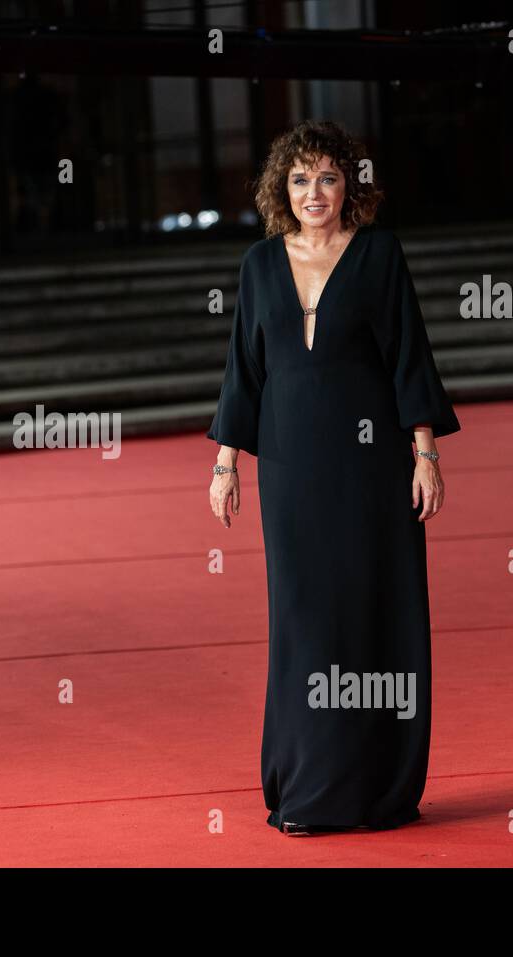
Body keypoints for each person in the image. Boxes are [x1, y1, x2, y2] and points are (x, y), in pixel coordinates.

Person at [207, 119, 461, 836]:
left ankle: (375, 785)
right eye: (299, 179)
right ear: (279, 189)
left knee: (371, 610)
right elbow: (242, 371)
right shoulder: (259, 265)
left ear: (349, 184)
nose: (313, 191)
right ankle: (309, 786)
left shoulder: (379, 254)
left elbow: (409, 354)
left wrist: (425, 454)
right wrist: (226, 463)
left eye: (326, 176)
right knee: (304, 616)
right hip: (290, 469)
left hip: (372, 465)